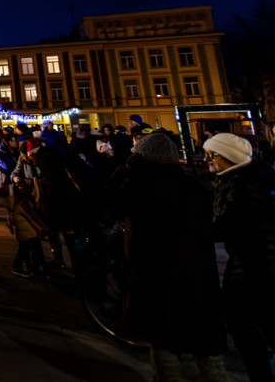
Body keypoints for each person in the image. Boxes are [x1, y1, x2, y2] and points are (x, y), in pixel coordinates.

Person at [121, 133, 227, 381]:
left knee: (166, 349)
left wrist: (128, 172)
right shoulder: (195, 184)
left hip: (160, 277)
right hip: (199, 275)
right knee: (208, 350)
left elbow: (116, 207)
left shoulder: (139, 186)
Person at [206, 132, 275, 381]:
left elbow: (226, 225)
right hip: (256, 261)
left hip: (254, 263)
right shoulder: (256, 174)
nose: (206, 159)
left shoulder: (240, 183)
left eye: (211, 154)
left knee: (242, 323)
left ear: (228, 157)